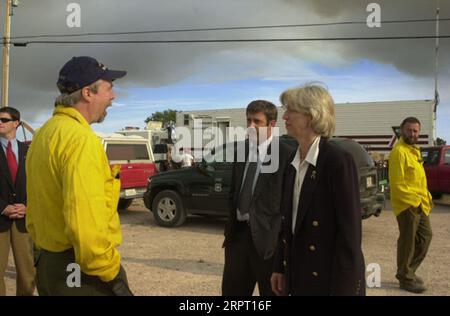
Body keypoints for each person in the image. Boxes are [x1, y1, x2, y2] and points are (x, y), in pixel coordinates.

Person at [26, 56, 133, 296]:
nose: (113, 96)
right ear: (88, 93)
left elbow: (34, 209)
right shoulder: (81, 140)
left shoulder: (45, 133)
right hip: (81, 274)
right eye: (109, 87)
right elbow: (85, 225)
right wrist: (112, 274)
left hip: (49, 265)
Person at [271, 84, 365, 296]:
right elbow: (287, 224)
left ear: (311, 116)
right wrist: (280, 267)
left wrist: (343, 291)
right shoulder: (292, 162)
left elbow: (350, 235)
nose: (284, 117)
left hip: (327, 281)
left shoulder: (337, 161)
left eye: (291, 111)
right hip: (299, 277)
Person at [222, 100, 294, 296]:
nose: (251, 126)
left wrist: (281, 249)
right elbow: (234, 193)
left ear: (272, 124)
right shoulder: (241, 150)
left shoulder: (286, 155)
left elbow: (288, 206)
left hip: (268, 246)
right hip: (237, 239)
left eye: (257, 121)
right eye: (248, 121)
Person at [388, 117, 433, 294]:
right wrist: (414, 202)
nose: (412, 134)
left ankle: (408, 272)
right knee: (408, 242)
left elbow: (419, 179)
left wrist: (426, 198)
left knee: (425, 237)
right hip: (407, 205)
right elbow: (397, 184)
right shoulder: (399, 152)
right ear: (402, 130)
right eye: (409, 130)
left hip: (421, 203)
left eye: (415, 131)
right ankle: (406, 278)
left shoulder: (414, 150)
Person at [0, 107, 35, 296]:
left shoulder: (29, 151)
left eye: (4, 120)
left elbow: (39, 184)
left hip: (24, 220)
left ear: (16, 123)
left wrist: (29, 206)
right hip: (1, 219)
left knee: (27, 273)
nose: (0, 123)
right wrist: (3, 207)